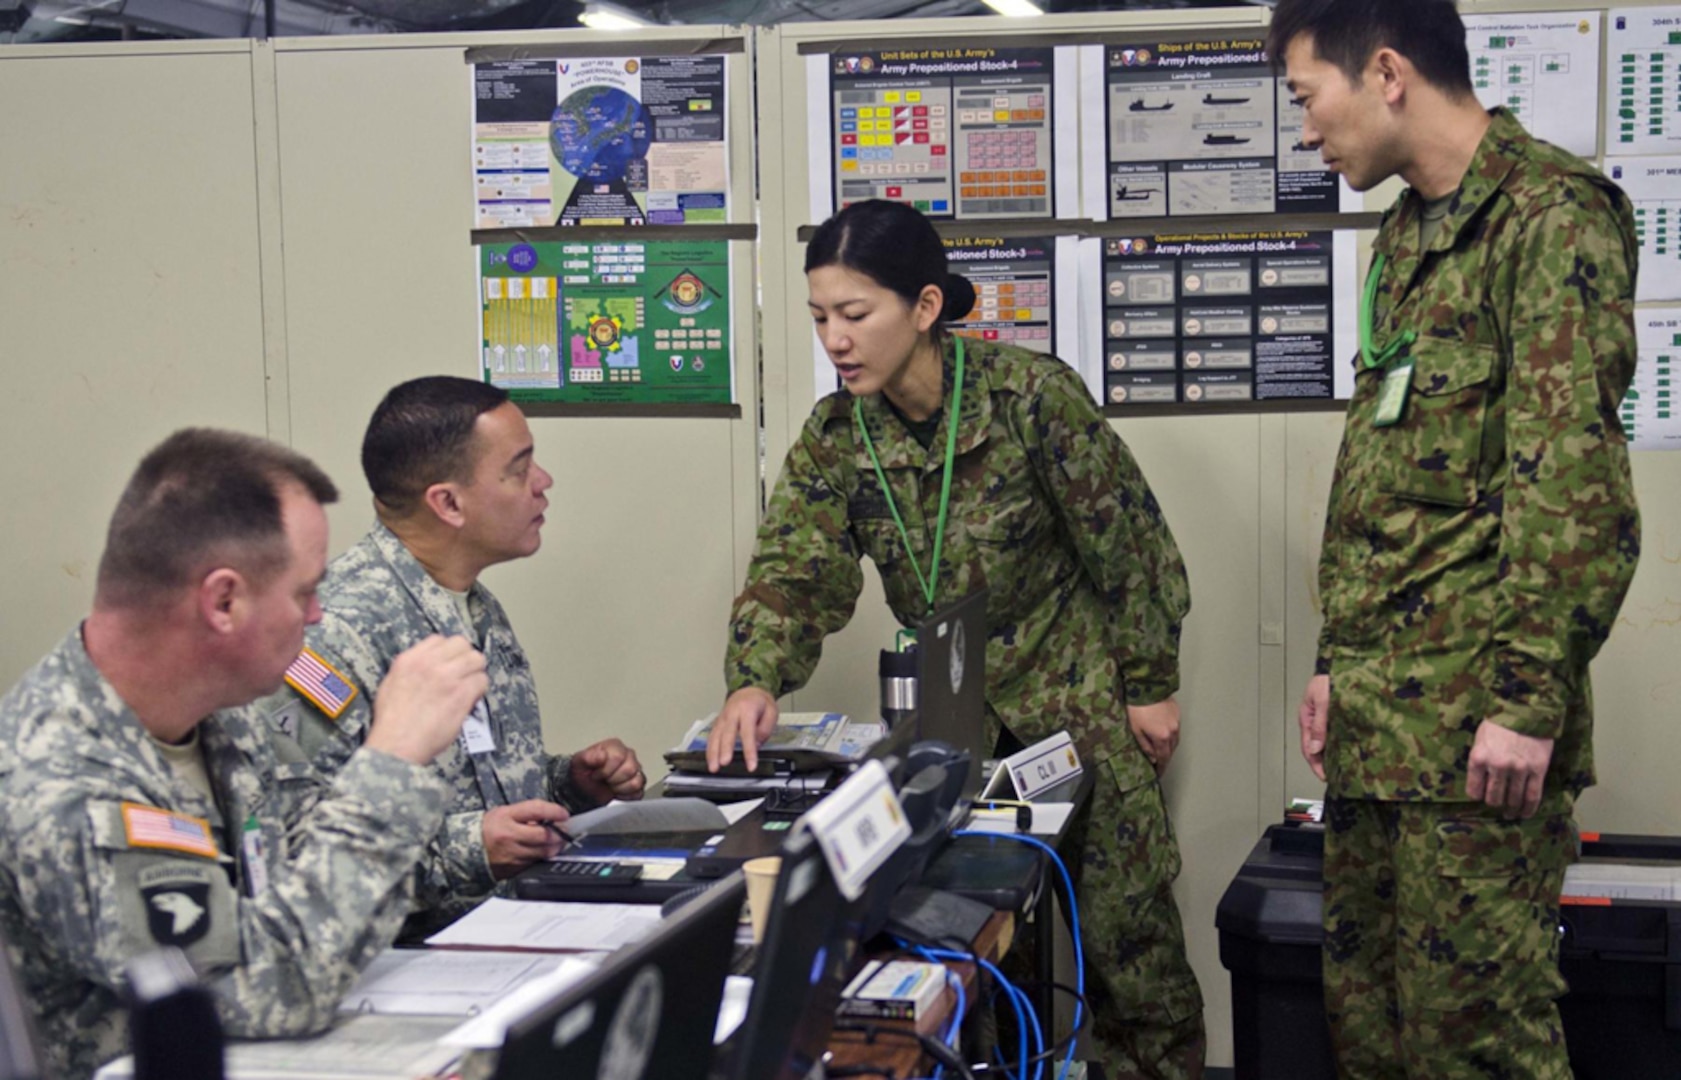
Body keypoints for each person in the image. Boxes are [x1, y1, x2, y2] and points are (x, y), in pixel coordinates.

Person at [705, 199, 1204, 1078]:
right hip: (951, 720)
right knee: (959, 950)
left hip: (1074, 695)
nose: (835, 339)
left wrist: (1149, 684)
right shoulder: (835, 440)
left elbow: (1130, 546)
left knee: (1132, 954)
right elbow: (794, 574)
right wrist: (754, 679)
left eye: (855, 314)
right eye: (820, 317)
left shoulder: (1027, 400)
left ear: (925, 307)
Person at [1272, 2, 1643, 1076]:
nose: (1305, 130)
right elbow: (1387, 471)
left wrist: (1527, 704)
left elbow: (1570, 482)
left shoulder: (1549, 217)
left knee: (1475, 1048)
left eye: (1307, 96)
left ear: (1384, 71)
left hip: (1475, 743)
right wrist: (1337, 660)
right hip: (1380, 725)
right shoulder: (1406, 233)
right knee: (1373, 1033)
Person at [0, 429, 486, 1080]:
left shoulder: (224, 720)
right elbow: (275, 986)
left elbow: (315, 880)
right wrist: (393, 759)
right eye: (303, 592)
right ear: (223, 600)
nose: (317, 616)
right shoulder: (58, 776)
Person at [259, 376, 646, 936]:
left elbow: (475, 781)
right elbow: (298, 850)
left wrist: (569, 786)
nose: (543, 483)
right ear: (447, 503)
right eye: (519, 470)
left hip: (513, 936)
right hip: (400, 971)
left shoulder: (473, 605)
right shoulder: (335, 633)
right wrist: (473, 848)